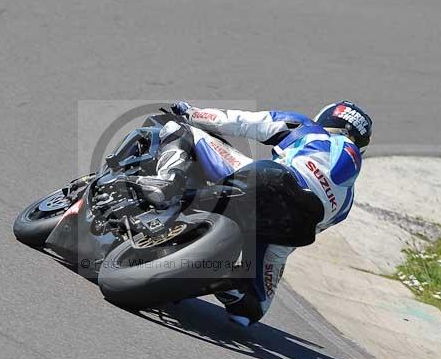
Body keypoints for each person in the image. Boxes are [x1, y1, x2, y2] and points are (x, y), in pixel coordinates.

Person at [130, 100, 373, 327]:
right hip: (293, 229)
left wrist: (191, 113)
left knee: (178, 129)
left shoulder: (307, 128)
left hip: (270, 181)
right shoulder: (346, 203)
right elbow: (304, 232)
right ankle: (228, 283)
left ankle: (167, 182)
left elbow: (239, 121)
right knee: (253, 308)